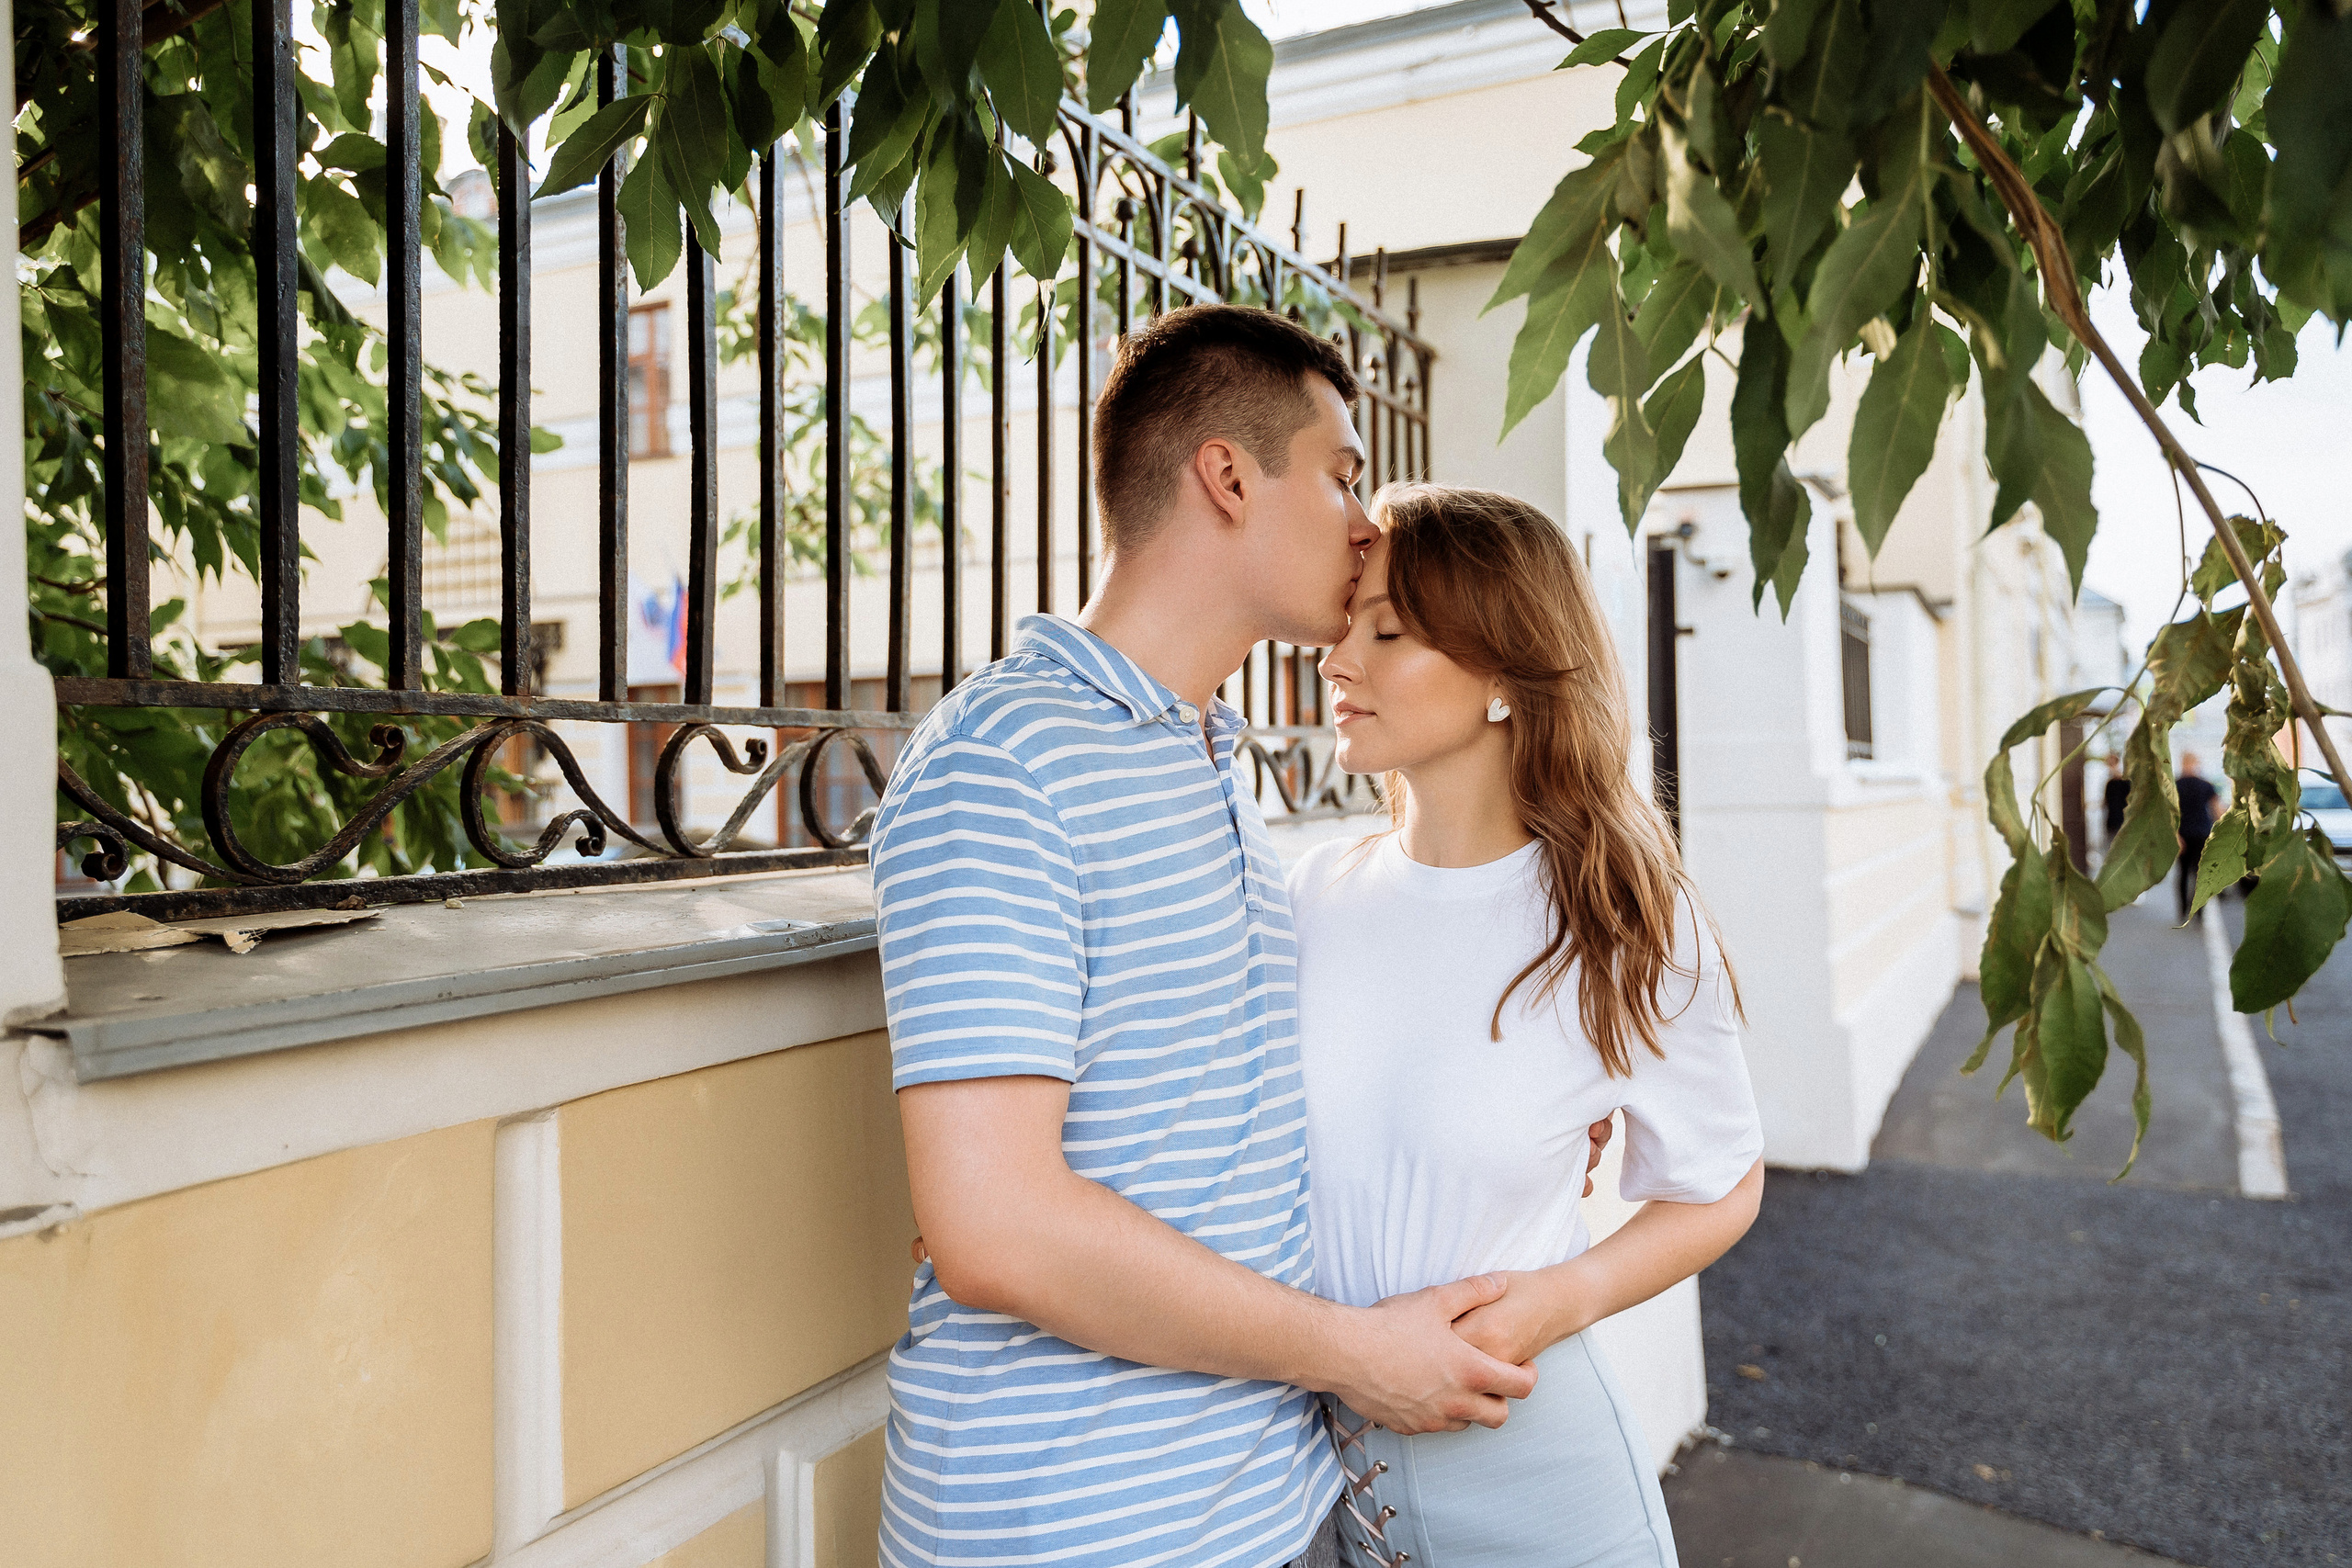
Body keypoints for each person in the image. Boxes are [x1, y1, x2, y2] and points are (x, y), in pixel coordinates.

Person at [867, 307, 1607, 1568]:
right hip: (1077, 1527)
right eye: (1342, 474)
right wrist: (1357, 1351)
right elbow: (992, 1223)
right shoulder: (1005, 764)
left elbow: (1224, 1103)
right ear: (1225, 476)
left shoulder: (1207, 761)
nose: (1369, 522)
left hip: (1272, 1498)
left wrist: (1511, 1102)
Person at [1293, 485, 1766, 1567]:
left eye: (1390, 630)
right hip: (1317, 1502)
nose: (1336, 660)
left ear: (1504, 675)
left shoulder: (1620, 917)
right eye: (1346, 621)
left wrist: (1561, 1297)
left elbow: (1721, 1178)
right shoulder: (1304, 898)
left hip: (1539, 1498)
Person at [2177, 752, 2221, 921]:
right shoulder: (2205, 785)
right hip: (2198, 833)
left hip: (2191, 833)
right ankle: (2194, 911)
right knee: (2196, 874)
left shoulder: (2177, 785)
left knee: (2187, 873)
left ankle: (2187, 910)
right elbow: (2217, 812)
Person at [2102, 753, 2130, 852]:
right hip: (2112, 822)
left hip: (2124, 822)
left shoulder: (2125, 782)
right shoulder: (2109, 783)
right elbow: (2106, 802)